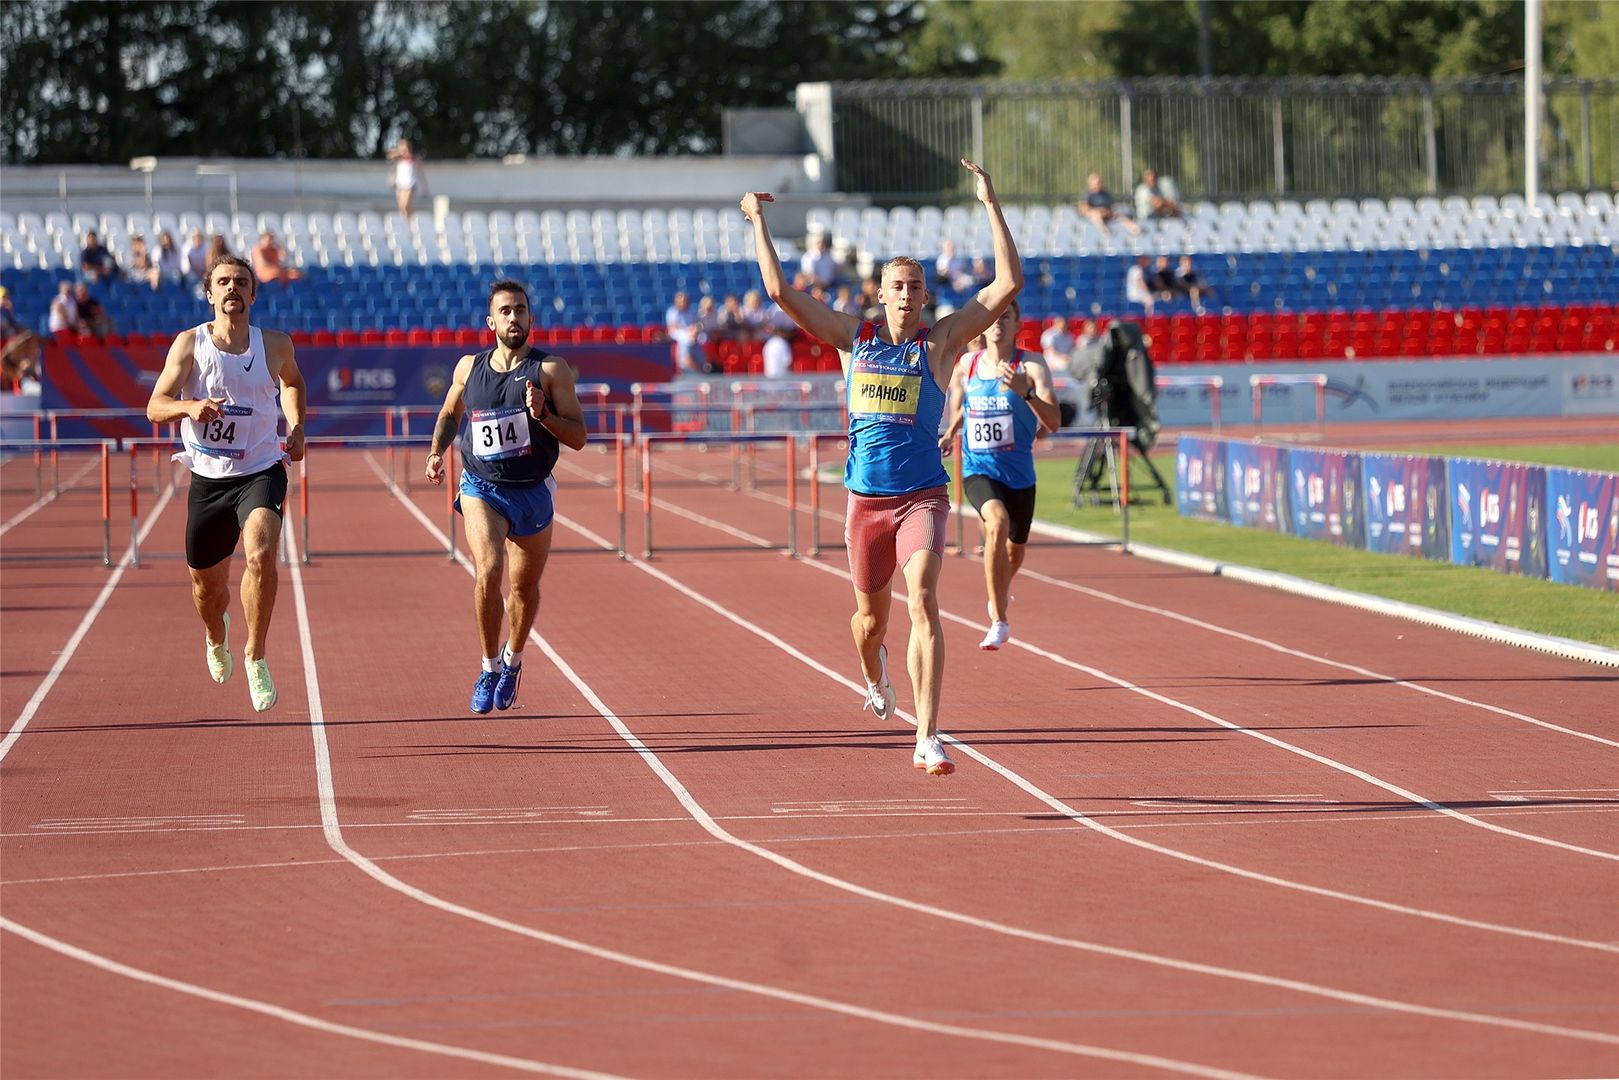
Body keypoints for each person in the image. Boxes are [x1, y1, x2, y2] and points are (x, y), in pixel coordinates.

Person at [739, 158, 1023, 777]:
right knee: (870, 623)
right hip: (865, 503)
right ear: (881, 295)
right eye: (897, 286)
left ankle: (927, 736)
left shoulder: (942, 343)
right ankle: (874, 671)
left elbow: (1006, 284)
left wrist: (988, 200)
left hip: (922, 495)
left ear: (924, 297)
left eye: (916, 287)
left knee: (923, 598)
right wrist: (758, 221)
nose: (906, 295)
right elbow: (782, 294)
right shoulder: (852, 339)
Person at [145, 254, 307, 713]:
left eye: (241, 282)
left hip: (260, 469)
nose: (232, 288)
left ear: (253, 295)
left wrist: (295, 427)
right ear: (210, 293)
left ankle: (256, 655)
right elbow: (155, 406)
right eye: (223, 282)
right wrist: (189, 407)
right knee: (206, 591)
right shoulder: (189, 344)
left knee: (260, 554)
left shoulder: (274, 344)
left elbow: (293, 383)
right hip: (209, 478)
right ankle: (218, 637)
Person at [425, 279, 587, 714]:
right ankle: (489, 664)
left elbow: (579, 437)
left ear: (531, 318)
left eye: (520, 310)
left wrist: (544, 414)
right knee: (488, 570)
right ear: (490, 321)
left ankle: (514, 659)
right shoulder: (467, 368)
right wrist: (437, 452)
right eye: (506, 311)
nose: (513, 317)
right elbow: (448, 413)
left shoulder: (551, 371)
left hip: (532, 490)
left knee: (524, 587)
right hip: (482, 485)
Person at [940, 298, 1060, 651]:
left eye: (1006, 317)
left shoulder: (1033, 366)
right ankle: (999, 620)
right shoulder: (968, 364)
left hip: (1020, 474)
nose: (998, 323)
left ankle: (999, 592)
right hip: (979, 468)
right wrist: (951, 432)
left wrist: (1027, 393)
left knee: (1014, 552)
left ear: (1017, 324)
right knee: (996, 523)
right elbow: (967, 407)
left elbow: (1053, 422)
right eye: (993, 317)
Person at [388, 138, 425, 217]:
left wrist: (424, 187)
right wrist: (399, 152)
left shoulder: (414, 158)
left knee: (406, 206)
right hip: (400, 184)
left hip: (410, 185)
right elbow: (390, 155)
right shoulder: (399, 158)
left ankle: (410, 221)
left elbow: (420, 173)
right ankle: (404, 221)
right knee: (401, 207)